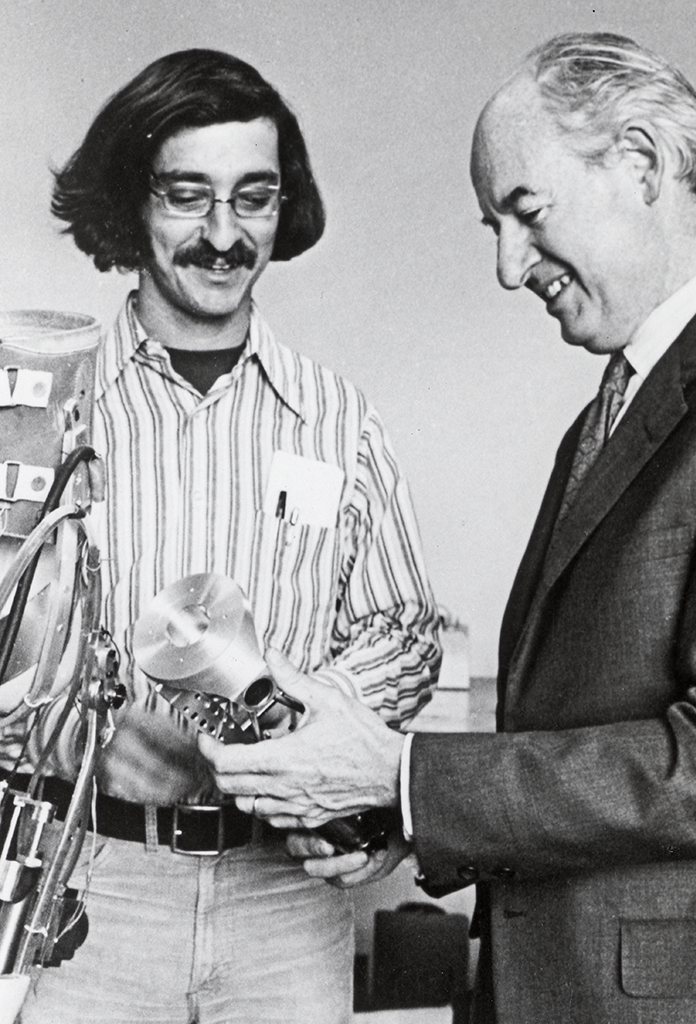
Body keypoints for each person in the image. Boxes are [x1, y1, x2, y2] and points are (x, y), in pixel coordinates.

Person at [201, 32, 696, 1024]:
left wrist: (406, 771)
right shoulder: (618, 408)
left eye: (525, 211)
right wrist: (409, 815)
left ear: (641, 164)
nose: (508, 267)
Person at [6, 48, 441, 1024]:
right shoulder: (37, 410)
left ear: (285, 209)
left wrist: (296, 720)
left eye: (253, 198)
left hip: (286, 901)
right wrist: (80, 734)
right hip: (87, 891)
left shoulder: (338, 418)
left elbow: (403, 630)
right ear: (133, 202)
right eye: (186, 196)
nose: (221, 234)